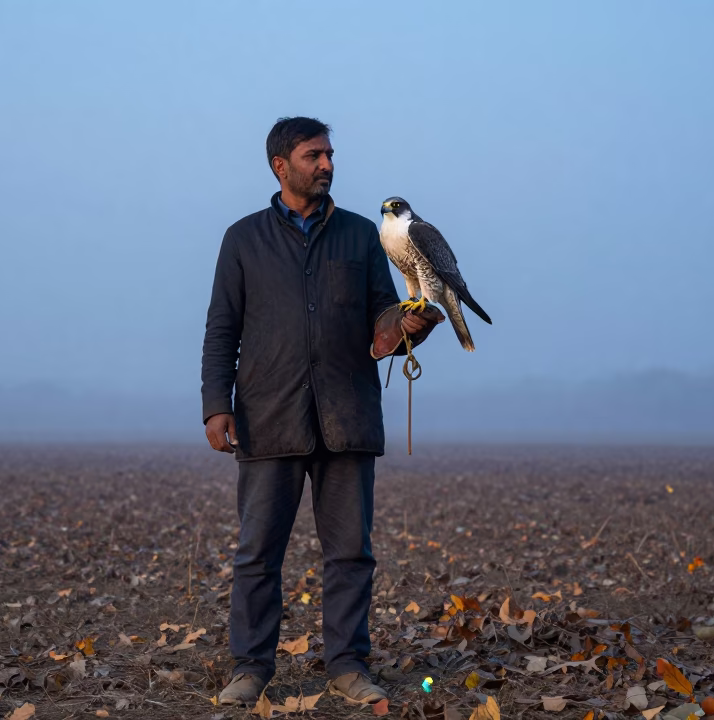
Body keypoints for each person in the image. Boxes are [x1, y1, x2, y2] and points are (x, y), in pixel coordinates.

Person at [200, 116, 444, 707]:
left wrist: (406, 325)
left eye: (330, 154)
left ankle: (348, 667)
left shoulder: (362, 235)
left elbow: (382, 313)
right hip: (267, 417)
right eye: (314, 155)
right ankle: (250, 669)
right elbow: (222, 328)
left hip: (347, 416)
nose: (328, 164)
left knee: (351, 555)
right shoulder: (242, 239)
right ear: (280, 166)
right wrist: (215, 406)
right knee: (257, 555)